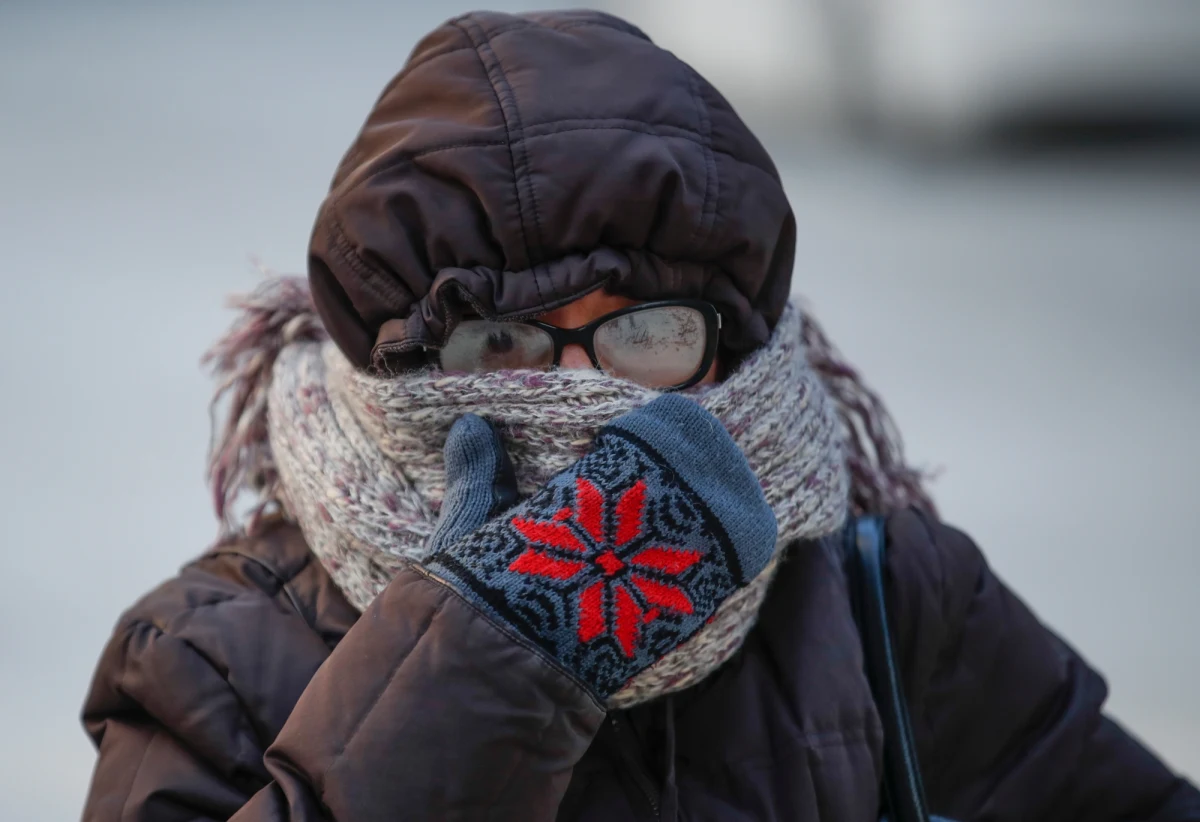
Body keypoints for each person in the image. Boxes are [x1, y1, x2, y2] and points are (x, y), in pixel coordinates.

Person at [79, 10, 1199, 822]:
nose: (587, 391)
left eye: (646, 335)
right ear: (398, 368)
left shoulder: (886, 612)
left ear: (732, 346)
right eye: (502, 345)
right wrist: (486, 657)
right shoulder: (215, 661)